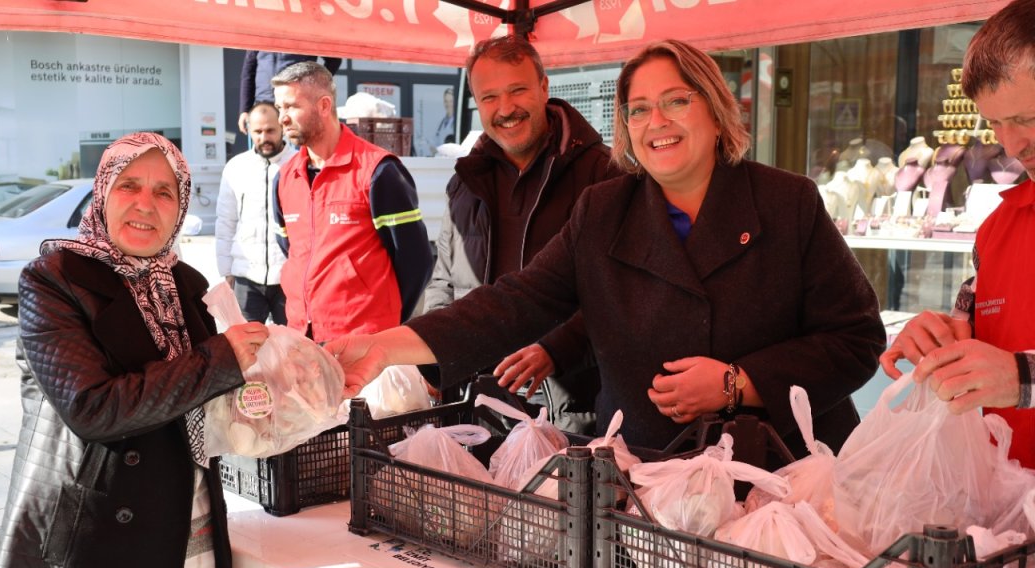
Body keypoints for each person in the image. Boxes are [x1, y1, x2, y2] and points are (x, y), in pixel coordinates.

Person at [326, 39, 886, 461]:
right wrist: (385, 348)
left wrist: (737, 384)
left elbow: (857, 339)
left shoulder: (788, 203)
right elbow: (514, 302)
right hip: (648, 480)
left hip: (781, 479)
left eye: (675, 101)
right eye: (639, 109)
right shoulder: (603, 210)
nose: (656, 122)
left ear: (714, 109)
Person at [0, 132, 269, 568]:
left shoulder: (188, 285)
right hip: (94, 531)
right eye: (129, 186)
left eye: (165, 192)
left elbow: (211, 401)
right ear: (103, 193)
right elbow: (93, 408)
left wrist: (268, 388)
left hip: (189, 512)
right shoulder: (54, 280)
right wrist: (221, 359)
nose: (145, 205)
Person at [424, 35, 621, 434]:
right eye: (490, 97)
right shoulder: (465, 181)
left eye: (517, 90)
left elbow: (621, 293)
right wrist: (431, 354)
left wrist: (556, 348)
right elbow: (444, 281)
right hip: (480, 399)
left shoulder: (604, 174)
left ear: (545, 88)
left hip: (572, 401)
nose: (506, 109)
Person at [878, 0, 1035, 466]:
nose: (1011, 144)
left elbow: (1017, 369)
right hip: (1006, 513)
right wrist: (942, 341)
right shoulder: (998, 227)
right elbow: (983, 323)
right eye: (995, 124)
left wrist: (1022, 377)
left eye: (1028, 119)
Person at [271, 61, 433, 342]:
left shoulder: (378, 171)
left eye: (291, 106)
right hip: (303, 337)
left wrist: (387, 317)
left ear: (324, 106)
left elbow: (415, 260)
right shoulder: (285, 177)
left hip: (363, 341)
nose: (282, 118)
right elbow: (292, 251)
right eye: (279, 108)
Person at [216, 101, 291, 324]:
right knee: (247, 351)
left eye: (270, 130)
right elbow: (226, 221)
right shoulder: (236, 167)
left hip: (288, 277)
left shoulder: (298, 164)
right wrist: (226, 270)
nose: (264, 137)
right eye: (258, 131)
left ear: (282, 128)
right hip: (246, 277)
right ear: (249, 131)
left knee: (293, 347)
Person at [238, 51, 342, 134]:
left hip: (295, 105)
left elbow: (334, 59)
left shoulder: (302, 30)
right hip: (263, 105)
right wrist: (245, 110)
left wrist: (314, 84)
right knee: (262, 154)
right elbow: (248, 72)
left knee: (297, 153)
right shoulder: (260, 31)